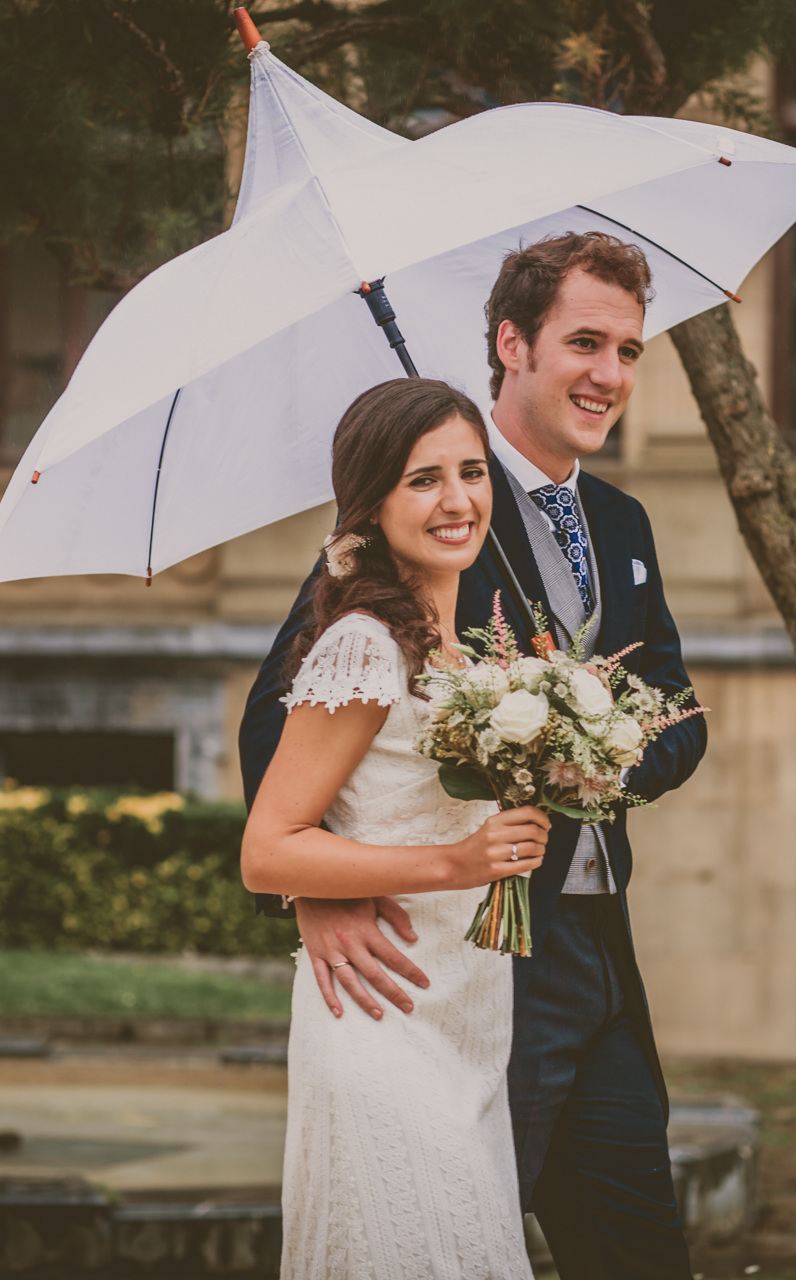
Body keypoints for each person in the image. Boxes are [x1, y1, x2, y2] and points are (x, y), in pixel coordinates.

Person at [241, 231, 707, 1278]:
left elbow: (678, 711)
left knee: (640, 1244)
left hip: (595, 943)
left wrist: (587, 750)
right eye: (586, 341)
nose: (609, 374)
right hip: (467, 955)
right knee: (447, 1233)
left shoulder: (623, 519)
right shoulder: (417, 513)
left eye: (630, 350)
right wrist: (316, 888)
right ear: (512, 341)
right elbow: (282, 717)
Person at [241, 377, 550, 1279]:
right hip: (382, 1017)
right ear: (371, 506)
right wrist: (458, 860)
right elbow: (268, 850)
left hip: (465, 1016)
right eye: (423, 481)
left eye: (472, 472)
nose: (459, 502)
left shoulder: (469, 655)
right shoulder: (365, 644)